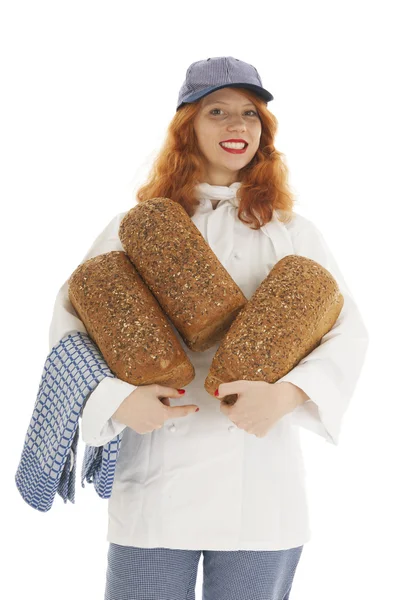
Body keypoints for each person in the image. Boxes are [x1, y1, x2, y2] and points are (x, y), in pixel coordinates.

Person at [48, 56, 369, 600]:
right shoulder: (137, 225)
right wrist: (117, 400)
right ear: (188, 127)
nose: (236, 125)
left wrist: (288, 395)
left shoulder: (292, 233)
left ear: (263, 132)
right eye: (217, 111)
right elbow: (71, 332)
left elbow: (348, 333)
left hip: (259, 485)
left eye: (250, 113)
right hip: (157, 482)